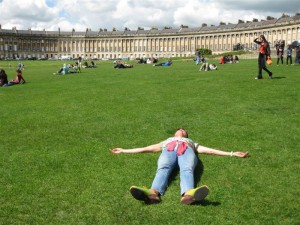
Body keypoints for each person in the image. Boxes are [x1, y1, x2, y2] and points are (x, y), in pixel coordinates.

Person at [111, 128, 248, 205]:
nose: (181, 130)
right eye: (179, 129)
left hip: (187, 151)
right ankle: (152, 193)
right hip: (169, 150)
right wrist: (124, 150)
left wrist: (232, 153)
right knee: (163, 168)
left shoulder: (191, 142)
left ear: (186, 135)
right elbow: (146, 148)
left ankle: (188, 194)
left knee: (187, 169)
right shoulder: (167, 141)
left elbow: (210, 150)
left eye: (183, 130)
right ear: (174, 134)